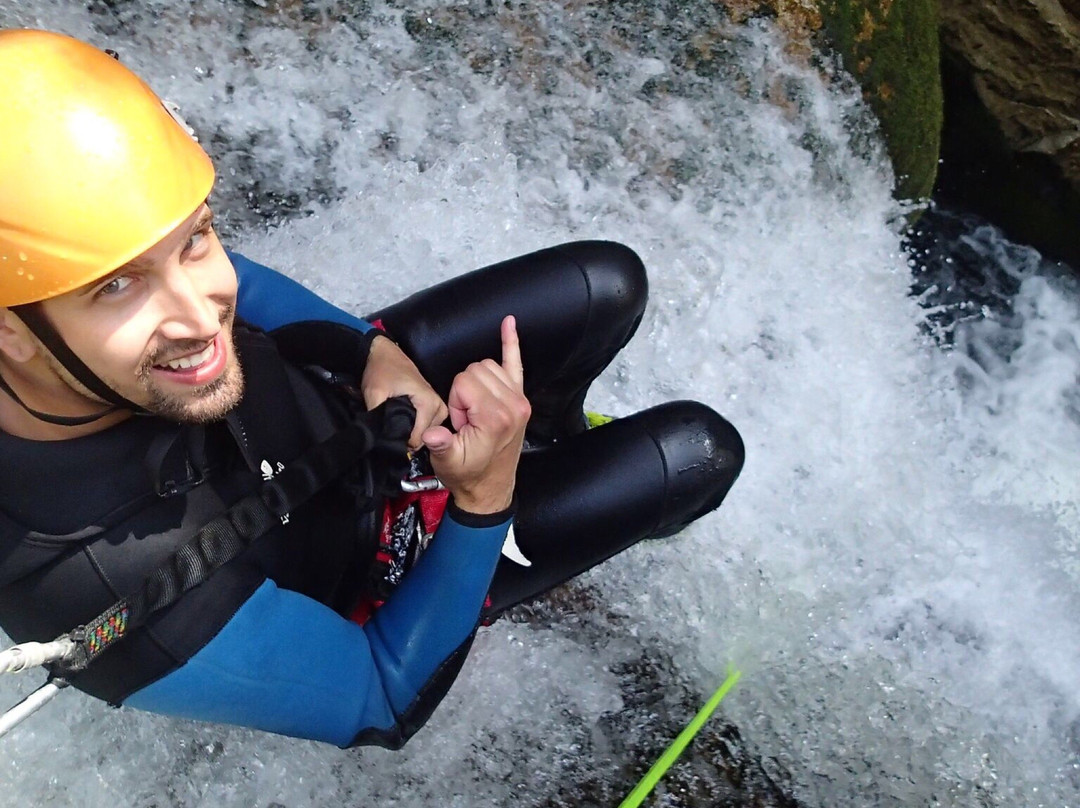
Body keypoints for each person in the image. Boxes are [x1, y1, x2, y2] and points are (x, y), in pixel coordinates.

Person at [0, 30, 744, 747]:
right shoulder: (99, 587)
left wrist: (371, 353)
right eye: (119, 287)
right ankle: (543, 543)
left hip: (355, 403)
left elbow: (242, 280)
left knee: (606, 285)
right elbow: (382, 699)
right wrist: (485, 501)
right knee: (697, 452)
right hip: (380, 570)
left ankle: (552, 434)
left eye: (195, 239)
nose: (203, 318)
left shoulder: (57, 278)